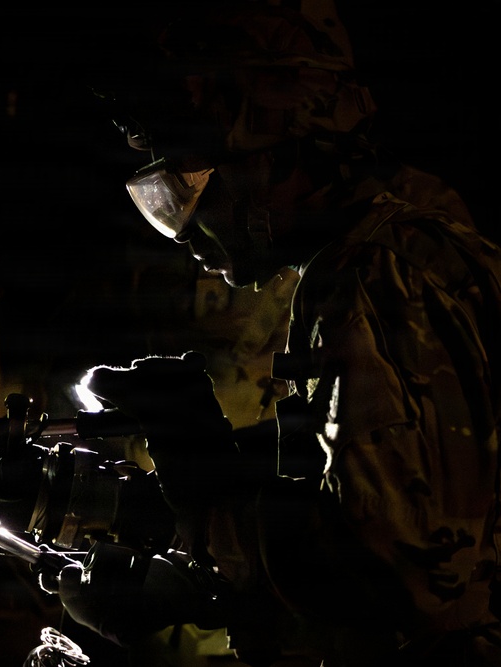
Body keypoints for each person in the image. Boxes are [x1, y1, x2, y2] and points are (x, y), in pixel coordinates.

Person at [54, 1, 501, 665]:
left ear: (268, 163)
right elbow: (373, 490)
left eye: (188, 183)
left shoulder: (382, 271)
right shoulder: (401, 239)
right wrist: (223, 467)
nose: (184, 226)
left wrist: (196, 526)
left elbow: (411, 578)